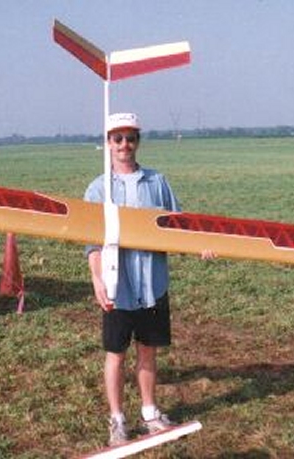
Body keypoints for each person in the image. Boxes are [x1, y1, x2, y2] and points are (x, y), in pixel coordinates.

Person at [85, 112, 213, 446]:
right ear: (108, 143)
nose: (124, 144)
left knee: (147, 352)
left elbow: (179, 224)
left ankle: (150, 413)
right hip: (118, 286)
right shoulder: (99, 188)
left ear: (138, 141)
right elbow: (92, 242)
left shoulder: (157, 182)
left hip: (152, 286)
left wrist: (201, 243)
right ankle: (117, 420)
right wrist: (98, 280)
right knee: (116, 354)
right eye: (118, 138)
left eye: (131, 138)